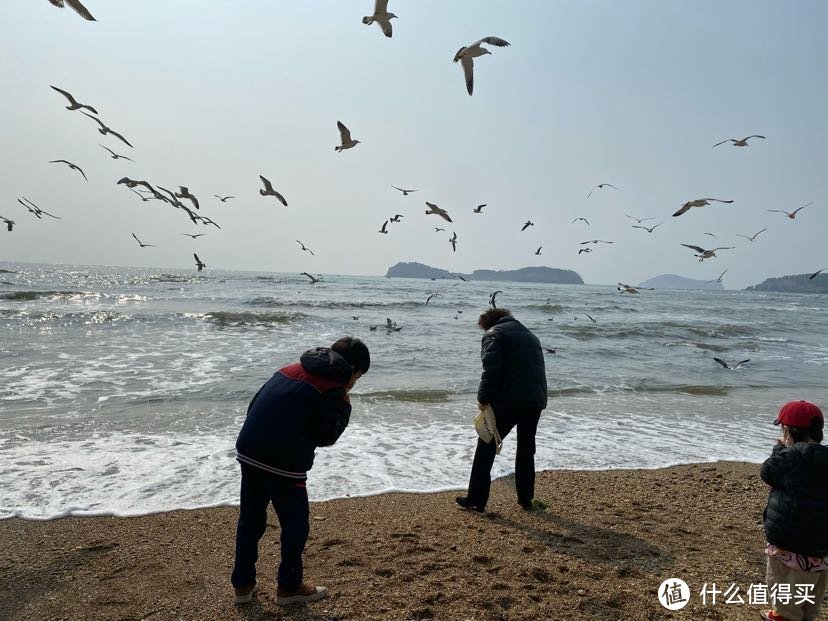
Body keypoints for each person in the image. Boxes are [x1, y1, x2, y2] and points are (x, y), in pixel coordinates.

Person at [230, 337, 370, 605]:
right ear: (353, 370)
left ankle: (243, 586)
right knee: (295, 526)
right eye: (358, 377)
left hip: (249, 448)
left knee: (250, 521)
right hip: (284, 462)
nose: (354, 382)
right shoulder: (334, 387)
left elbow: (254, 405)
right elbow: (327, 436)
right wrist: (346, 406)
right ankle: (289, 588)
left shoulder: (290, 368)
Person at [456, 308, 547, 512]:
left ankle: (477, 498)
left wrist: (483, 399)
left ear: (488, 323)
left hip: (510, 400)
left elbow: (491, 370)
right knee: (526, 449)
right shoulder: (530, 335)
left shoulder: (494, 334)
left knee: (486, 444)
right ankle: (526, 500)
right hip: (535, 400)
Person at [759, 400, 828, 621]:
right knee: (810, 598)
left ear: (788, 431)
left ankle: (783, 616)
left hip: (790, 546)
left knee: (785, 596)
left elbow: (767, 472)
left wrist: (779, 449)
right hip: (821, 548)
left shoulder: (789, 458)